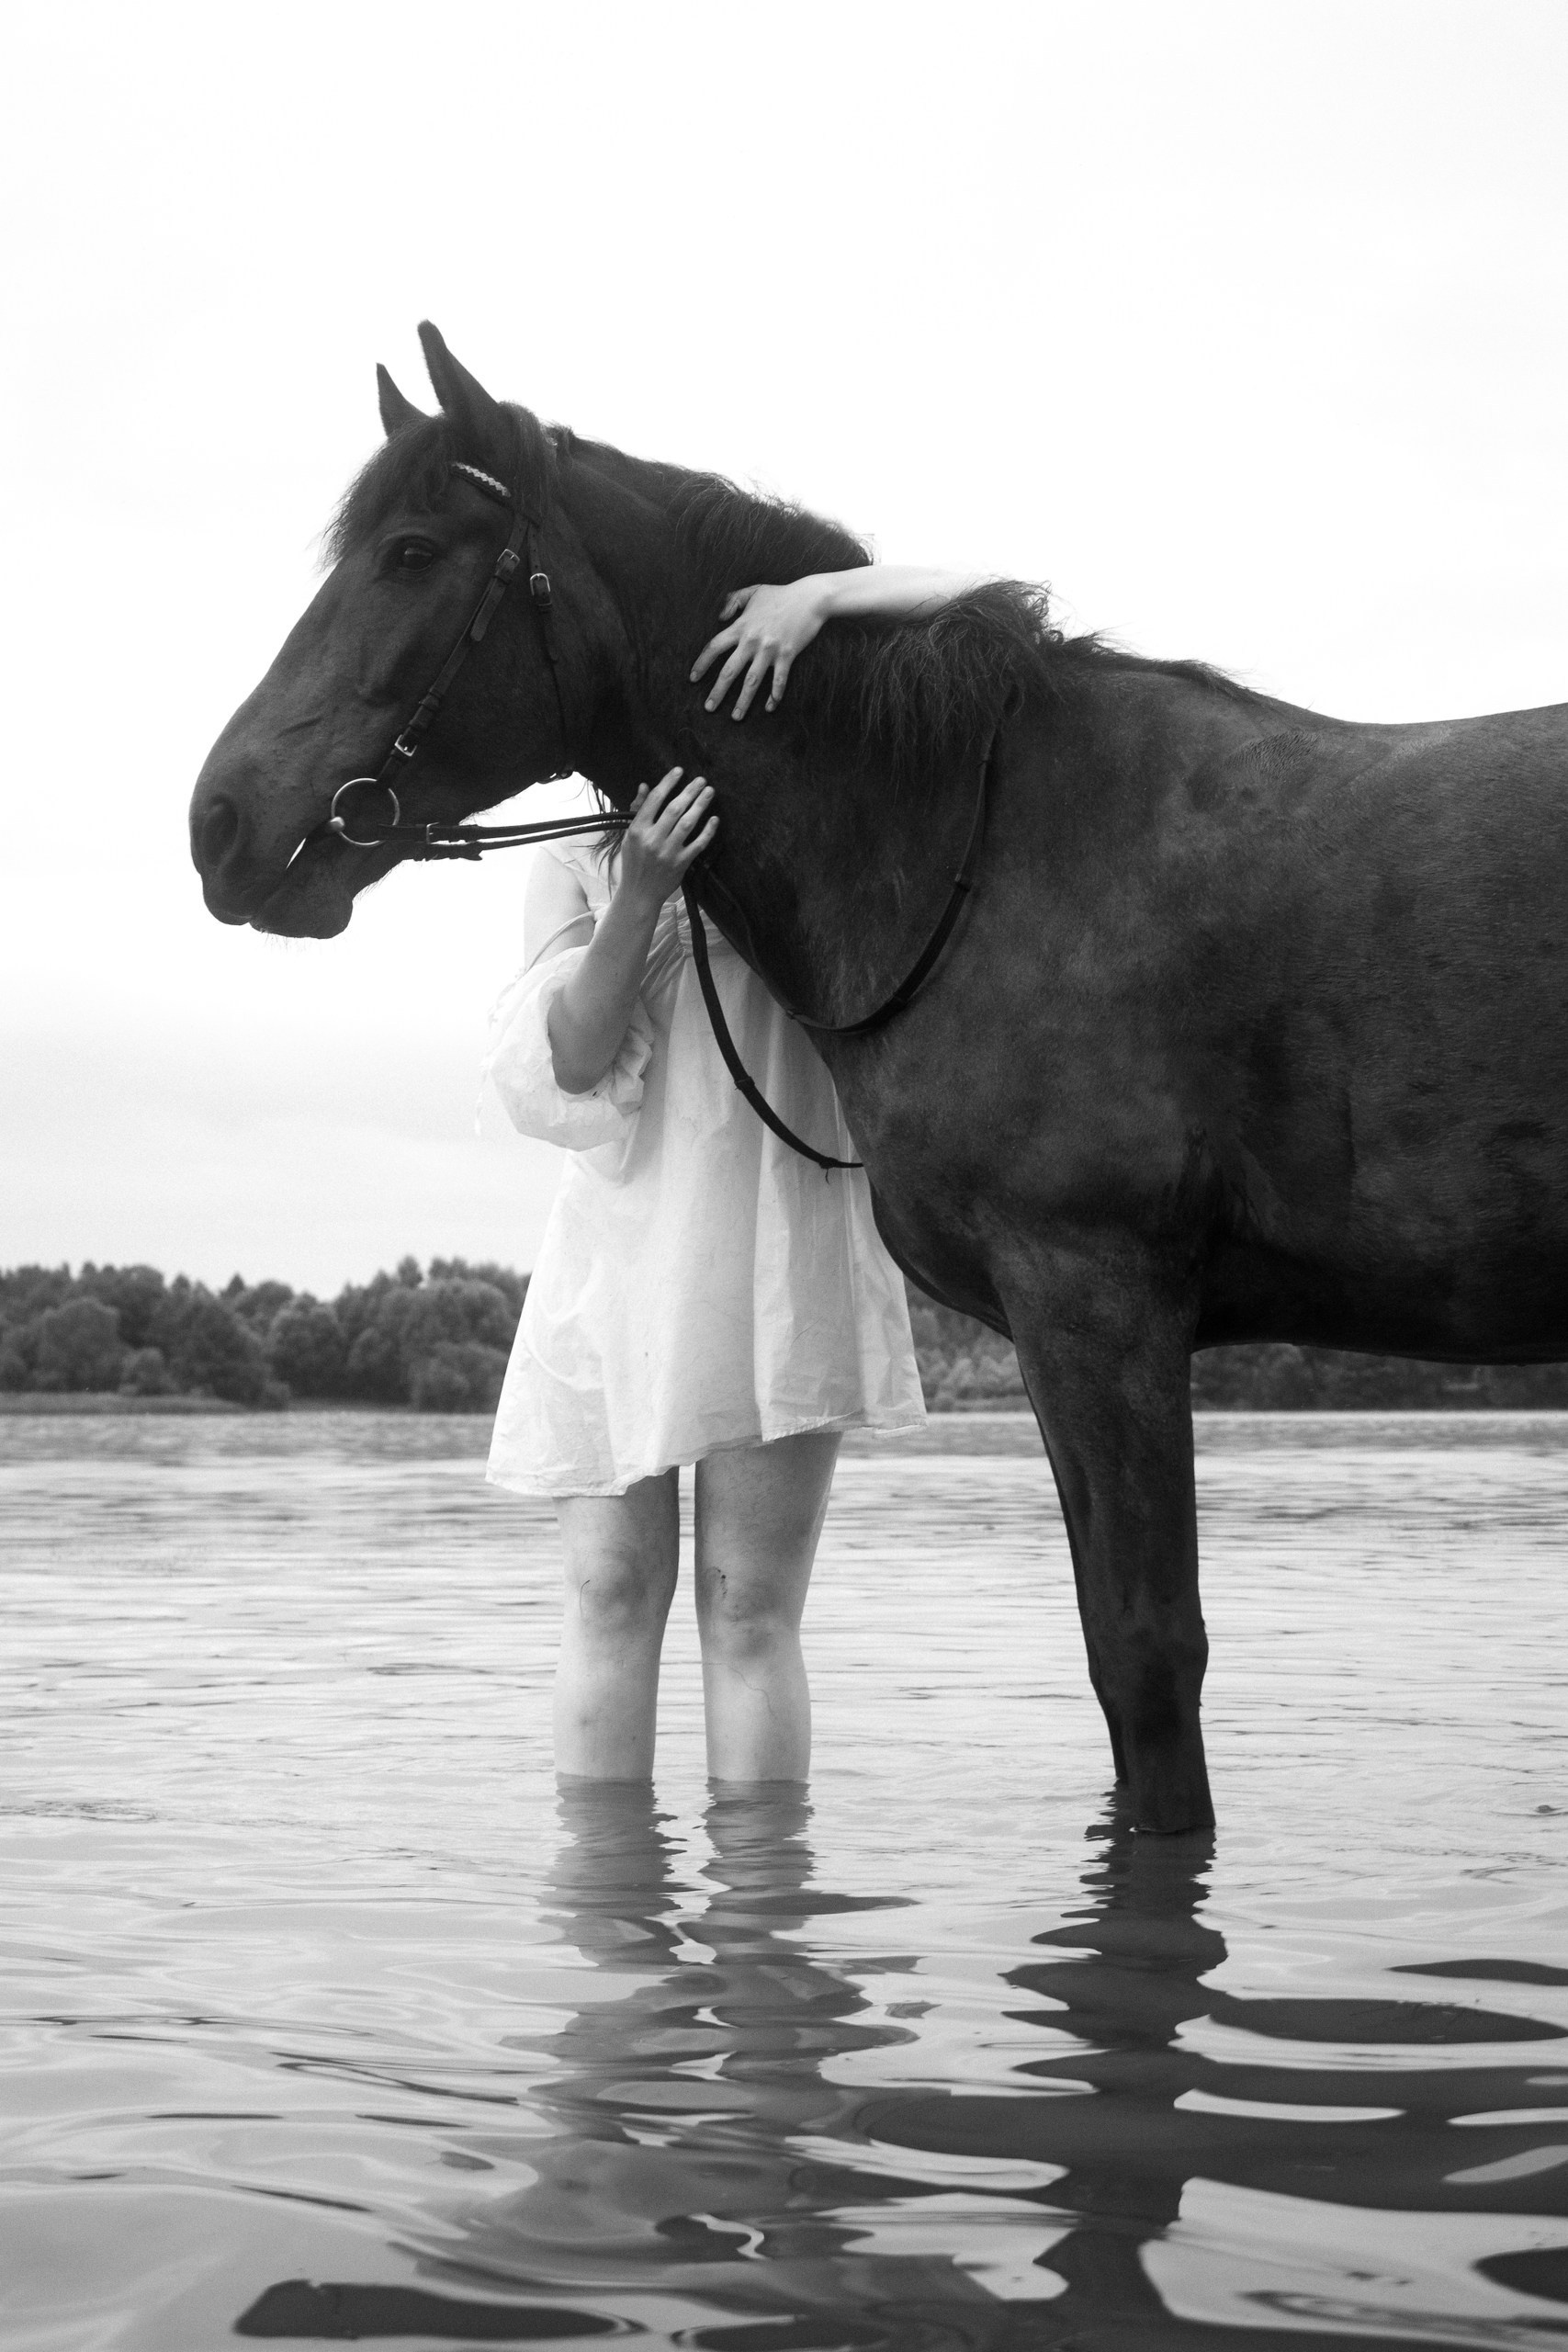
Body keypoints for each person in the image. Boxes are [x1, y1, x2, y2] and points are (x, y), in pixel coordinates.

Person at [485, 565, 977, 1787]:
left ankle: (762, 1937)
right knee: (608, 1590)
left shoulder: (825, 796)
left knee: (748, 1609)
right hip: (620, 1251)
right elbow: (572, 1062)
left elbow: (989, 608)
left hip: (777, 1238)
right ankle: (616, 1933)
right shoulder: (580, 848)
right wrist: (641, 889)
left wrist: (818, 594)